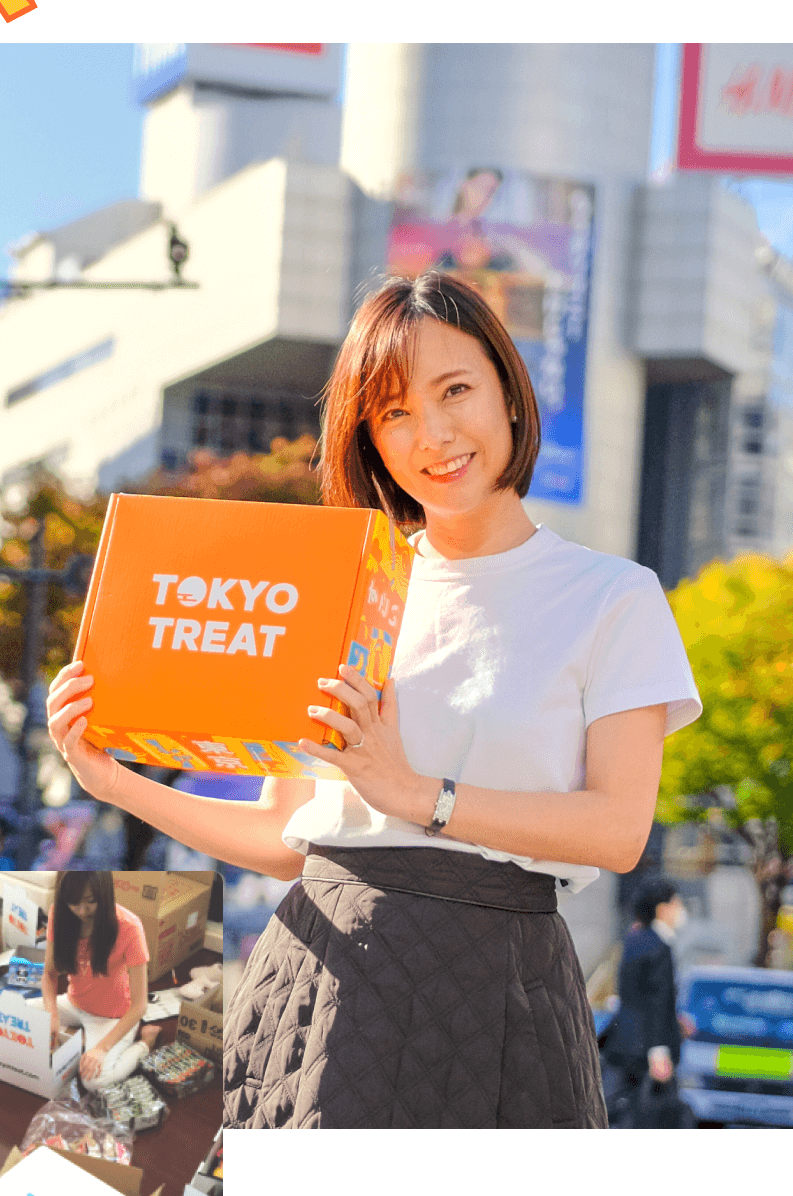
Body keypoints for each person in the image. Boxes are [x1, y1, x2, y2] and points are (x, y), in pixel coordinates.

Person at [47, 270, 703, 1129]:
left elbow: (618, 830)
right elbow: (286, 840)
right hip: (321, 985)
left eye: (455, 390)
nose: (432, 433)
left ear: (510, 393)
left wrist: (417, 795)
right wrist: (114, 782)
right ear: (369, 439)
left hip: (501, 982)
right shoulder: (342, 587)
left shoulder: (612, 596)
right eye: (393, 412)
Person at [40, 870, 162, 1092]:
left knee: (93, 1081)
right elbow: (49, 974)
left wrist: (102, 1049)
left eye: (90, 902)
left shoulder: (130, 927)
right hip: (74, 1001)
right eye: (73, 903)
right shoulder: (59, 914)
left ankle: (145, 1043)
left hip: (114, 1016)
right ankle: (84, 1039)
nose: (81, 911)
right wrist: (52, 1014)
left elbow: (140, 1005)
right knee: (17, 1014)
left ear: (104, 894)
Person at [599, 875, 692, 1126]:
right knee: (648, 1116)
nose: (681, 910)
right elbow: (656, 1002)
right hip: (647, 1049)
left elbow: (636, 995)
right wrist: (658, 1053)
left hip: (626, 1042)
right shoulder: (660, 946)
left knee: (622, 1110)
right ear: (662, 909)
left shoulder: (635, 939)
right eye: (677, 903)